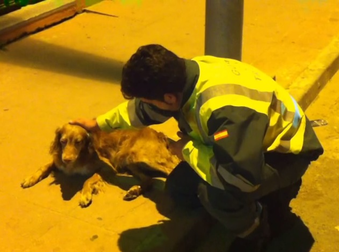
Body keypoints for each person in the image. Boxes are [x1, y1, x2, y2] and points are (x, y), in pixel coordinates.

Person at [70, 44, 323, 251]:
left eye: (147, 98)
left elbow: (240, 177)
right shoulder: (183, 75)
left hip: (285, 154)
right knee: (180, 189)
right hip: (241, 145)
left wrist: (186, 150)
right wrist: (99, 123)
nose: (145, 104)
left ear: (169, 98)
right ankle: (248, 207)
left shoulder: (223, 108)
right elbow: (144, 110)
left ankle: (261, 230)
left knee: (216, 193)